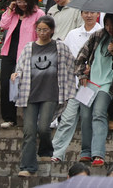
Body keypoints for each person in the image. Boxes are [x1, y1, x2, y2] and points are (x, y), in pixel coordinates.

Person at [13, 15, 77, 177]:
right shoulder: (28, 48)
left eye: (45, 30)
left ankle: (46, 150)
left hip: (51, 93)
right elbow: (20, 67)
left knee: (43, 127)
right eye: (39, 30)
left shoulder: (60, 47)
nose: (41, 33)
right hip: (30, 94)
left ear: (52, 31)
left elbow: (73, 64)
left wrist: (84, 72)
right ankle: (27, 167)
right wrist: (15, 75)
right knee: (29, 131)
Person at [0, 0, 44, 129]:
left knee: (28, 86)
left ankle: (32, 118)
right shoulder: (13, 13)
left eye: (24, 2)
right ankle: (9, 118)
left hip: (27, 54)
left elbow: (41, 34)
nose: (22, 4)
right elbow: (3, 25)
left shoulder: (38, 14)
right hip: (9, 53)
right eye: (19, 1)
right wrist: (10, 9)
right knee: (6, 85)